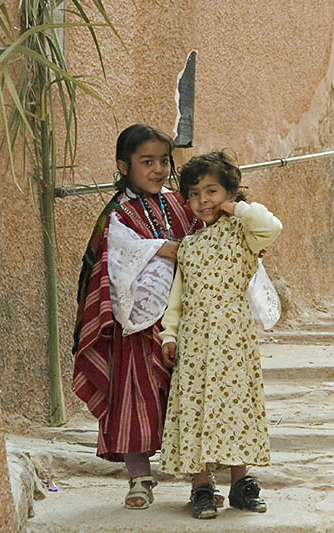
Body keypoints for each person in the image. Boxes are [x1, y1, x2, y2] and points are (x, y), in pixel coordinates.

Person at [72, 124, 201, 510]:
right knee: (136, 397)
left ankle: (201, 477)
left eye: (164, 161)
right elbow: (118, 256)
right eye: (147, 162)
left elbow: (202, 235)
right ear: (123, 165)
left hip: (182, 317)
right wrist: (163, 248)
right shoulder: (117, 214)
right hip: (135, 323)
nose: (159, 169)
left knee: (188, 392)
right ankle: (139, 477)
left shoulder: (178, 203)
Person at [158, 150, 282, 519]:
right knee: (196, 406)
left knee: (235, 407)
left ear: (229, 192)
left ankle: (241, 484)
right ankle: (201, 486)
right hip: (195, 340)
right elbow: (178, 298)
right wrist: (169, 335)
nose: (202, 201)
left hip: (233, 338)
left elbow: (272, 226)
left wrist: (237, 208)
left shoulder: (245, 233)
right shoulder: (190, 246)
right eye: (194, 194)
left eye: (211, 191)